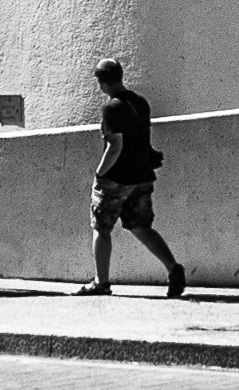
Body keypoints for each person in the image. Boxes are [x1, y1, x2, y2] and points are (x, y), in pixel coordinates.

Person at [77, 57, 186, 297]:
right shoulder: (140, 102)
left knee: (101, 228)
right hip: (141, 176)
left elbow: (114, 146)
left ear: (102, 82)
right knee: (141, 226)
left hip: (116, 179)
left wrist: (99, 174)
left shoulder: (111, 108)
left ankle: (101, 283)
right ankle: (173, 268)